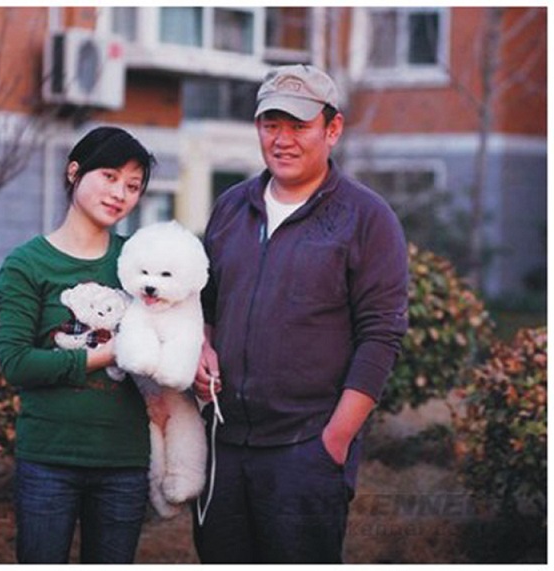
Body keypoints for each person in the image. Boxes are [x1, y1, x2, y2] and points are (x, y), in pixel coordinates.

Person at [192, 64, 409, 563]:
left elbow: (381, 335)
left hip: (306, 450)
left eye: (299, 125)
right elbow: (206, 304)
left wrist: (335, 439)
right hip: (223, 446)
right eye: (271, 125)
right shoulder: (230, 208)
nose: (282, 140)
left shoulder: (367, 218)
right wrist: (202, 347)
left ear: (333, 129)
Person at [0, 126, 156, 564]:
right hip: (50, 458)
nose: (119, 193)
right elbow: (16, 363)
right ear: (73, 172)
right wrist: (106, 355)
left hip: (124, 461)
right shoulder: (27, 264)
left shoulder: (139, 263)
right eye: (109, 176)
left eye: (133, 186)